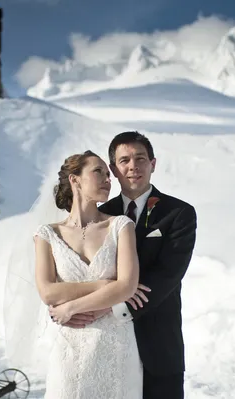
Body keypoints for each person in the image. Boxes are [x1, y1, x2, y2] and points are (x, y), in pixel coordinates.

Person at [59, 131, 198, 399]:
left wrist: (109, 306)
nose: (133, 166)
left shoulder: (179, 213)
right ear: (113, 169)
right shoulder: (100, 215)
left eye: (140, 158)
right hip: (105, 347)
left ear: (153, 164)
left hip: (158, 345)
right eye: (124, 160)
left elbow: (168, 275)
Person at [32, 150, 144, 398]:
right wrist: (105, 284)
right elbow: (48, 291)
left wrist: (70, 308)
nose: (108, 179)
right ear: (75, 179)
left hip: (116, 345)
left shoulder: (121, 226)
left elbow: (126, 287)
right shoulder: (47, 234)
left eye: (108, 174)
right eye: (98, 172)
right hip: (69, 347)